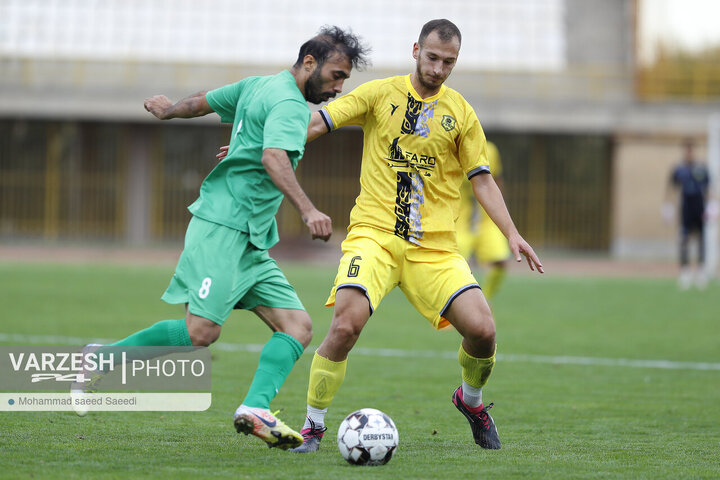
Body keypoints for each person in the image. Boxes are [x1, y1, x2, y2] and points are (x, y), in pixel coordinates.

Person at [73, 26, 370, 450]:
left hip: (250, 239)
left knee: (298, 326)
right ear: (310, 63)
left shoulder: (259, 86)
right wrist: (308, 209)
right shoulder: (289, 103)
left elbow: (203, 102)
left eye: (344, 79)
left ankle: (255, 408)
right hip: (223, 227)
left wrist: (169, 110)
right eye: (336, 75)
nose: (339, 86)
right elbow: (273, 157)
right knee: (201, 333)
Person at [290, 19, 543, 452]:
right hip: (374, 235)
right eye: (433, 58)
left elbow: (482, 180)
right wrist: (263, 142)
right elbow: (318, 122)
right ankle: (313, 426)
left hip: (436, 248)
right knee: (346, 324)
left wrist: (512, 232)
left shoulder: (460, 113)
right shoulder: (378, 94)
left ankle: (471, 401)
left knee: (483, 330)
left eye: (449, 62)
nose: (440, 68)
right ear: (415, 50)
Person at [456, 141, 511, 300]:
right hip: (461, 221)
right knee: (455, 266)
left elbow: (496, 181)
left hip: (486, 220)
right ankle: (448, 310)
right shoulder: (450, 148)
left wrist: (503, 212)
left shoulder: (490, 150)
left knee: (501, 261)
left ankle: (484, 301)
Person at [664, 139, 712, 290]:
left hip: (699, 207)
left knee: (701, 239)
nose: (689, 152)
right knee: (684, 238)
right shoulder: (679, 169)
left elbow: (709, 189)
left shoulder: (701, 168)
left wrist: (712, 206)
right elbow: (671, 189)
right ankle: (685, 271)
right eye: (686, 150)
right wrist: (668, 206)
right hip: (686, 208)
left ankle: (701, 270)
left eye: (691, 150)